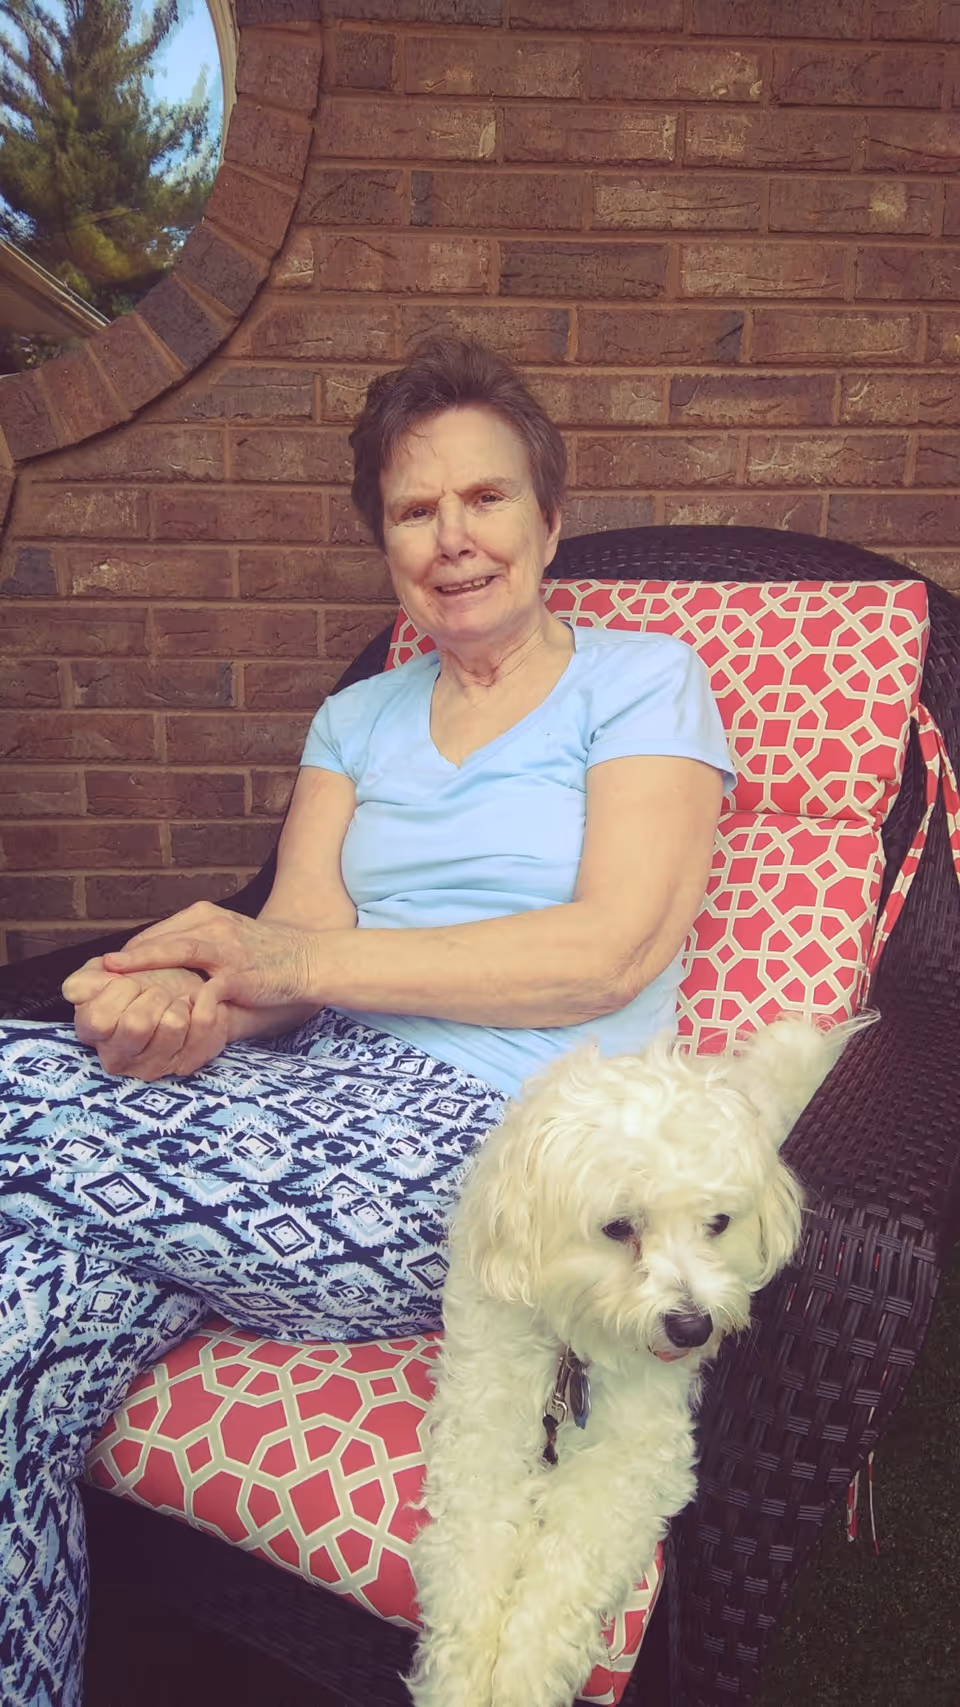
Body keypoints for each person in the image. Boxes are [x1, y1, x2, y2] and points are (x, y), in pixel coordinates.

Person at [0, 337, 734, 1707]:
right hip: (299, 1115)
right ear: (384, 543)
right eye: (413, 510)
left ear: (547, 517)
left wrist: (294, 960)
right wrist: (189, 1012)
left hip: (501, 1155)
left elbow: (607, 950)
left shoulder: (642, 681)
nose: (453, 538)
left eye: (487, 498)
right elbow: (289, 970)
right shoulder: (354, 720)